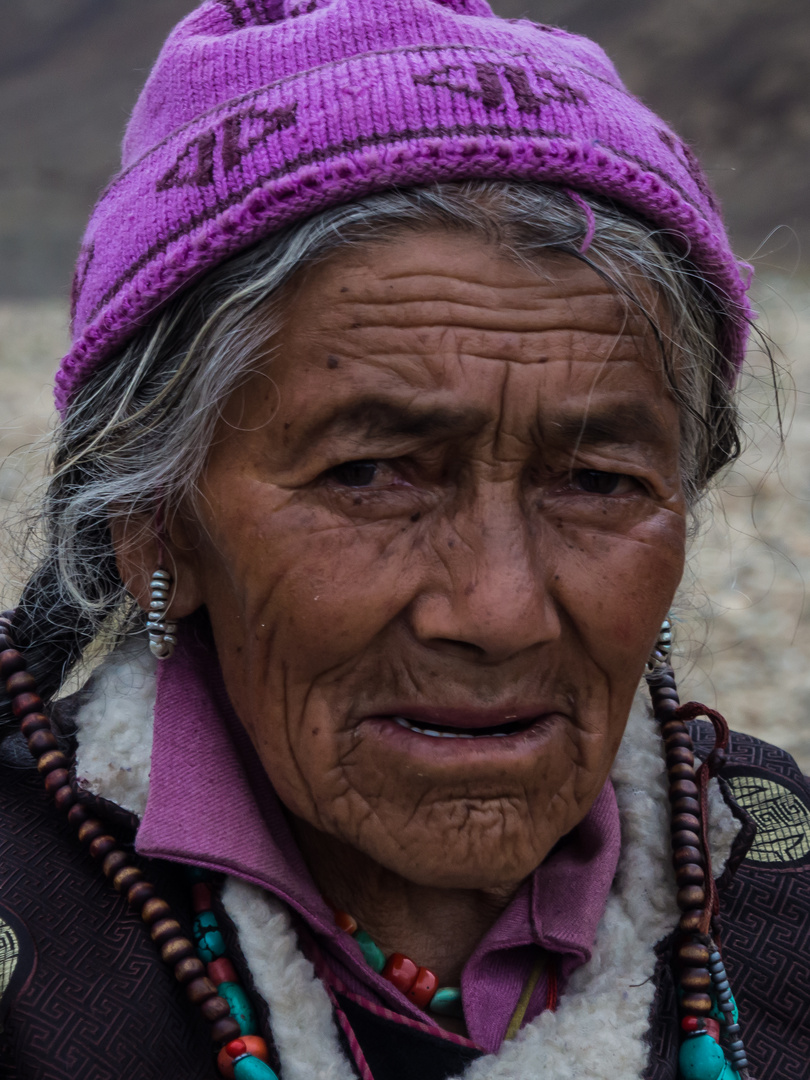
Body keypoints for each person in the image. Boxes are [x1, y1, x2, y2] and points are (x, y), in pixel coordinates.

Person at [0, 2, 808, 1078]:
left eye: (597, 482)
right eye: (372, 477)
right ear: (157, 528)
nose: (499, 611)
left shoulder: (777, 880)